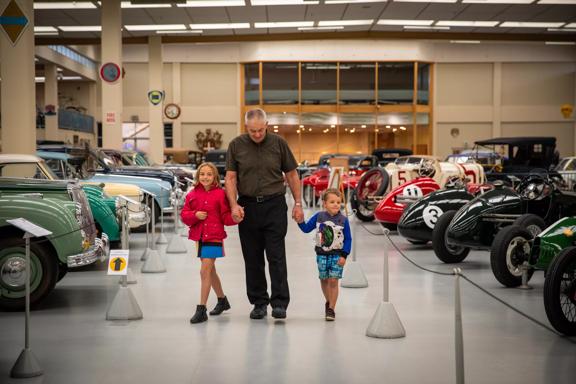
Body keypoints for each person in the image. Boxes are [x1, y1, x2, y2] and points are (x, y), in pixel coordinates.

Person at [225, 108, 304, 320]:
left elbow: (292, 174)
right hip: (247, 207)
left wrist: (298, 203)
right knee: (252, 258)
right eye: (253, 131)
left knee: (276, 256)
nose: (257, 134)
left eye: (261, 130)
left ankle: (279, 303)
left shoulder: (279, 144)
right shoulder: (236, 145)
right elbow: (231, 178)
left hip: (274, 206)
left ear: (267, 125)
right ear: (246, 128)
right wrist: (233, 205)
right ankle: (259, 302)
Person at [181, 162, 238, 324]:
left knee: (204, 271)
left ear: (214, 177)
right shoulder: (192, 195)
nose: (205, 177)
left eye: (209, 174)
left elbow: (226, 217)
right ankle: (222, 300)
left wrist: (236, 218)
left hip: (214, 236)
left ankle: (201, 309)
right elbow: (184, 215)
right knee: (210, 271)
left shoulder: (221, 194)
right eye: (202, 174)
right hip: (199, 237)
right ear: (198, 176)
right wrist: (194, 215)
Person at [297, 188, 351, 321]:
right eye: (332, 202)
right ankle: (328, 301)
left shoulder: (343, 220)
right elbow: (306, 228)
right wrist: (300, 221)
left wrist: (344, 255)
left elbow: (348, 239)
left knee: (333, 281)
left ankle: (332, 308)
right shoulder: (319, 217)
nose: (336, 205)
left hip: (337, 255)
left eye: (338, 202)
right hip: (321, 254)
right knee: (324, 279)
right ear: (324, 204)